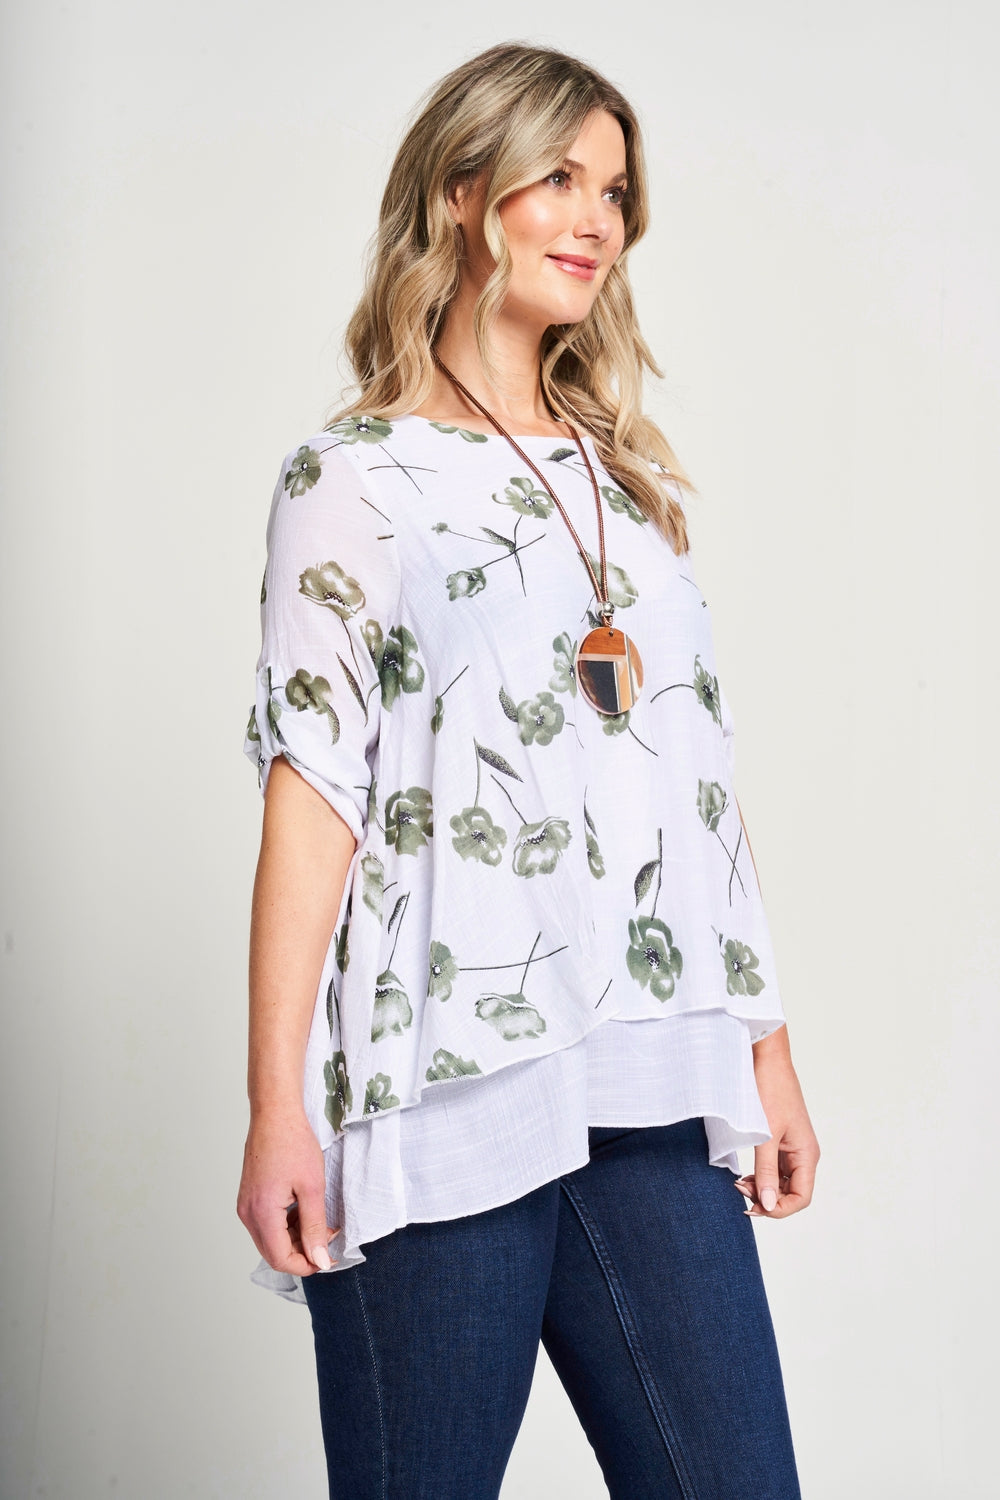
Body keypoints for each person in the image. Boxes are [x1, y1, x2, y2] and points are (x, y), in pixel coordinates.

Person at [237, 40, 819, 1500]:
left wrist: (764, 1048)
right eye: (558, 177)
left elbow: (696, 783)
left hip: (650, 1067)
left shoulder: (625, 484)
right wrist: (275, 1104)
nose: (595, 219)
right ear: (461, 193)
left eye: (613, 192)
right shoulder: (354, 478)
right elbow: (315, 791)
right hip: (447, 1077)